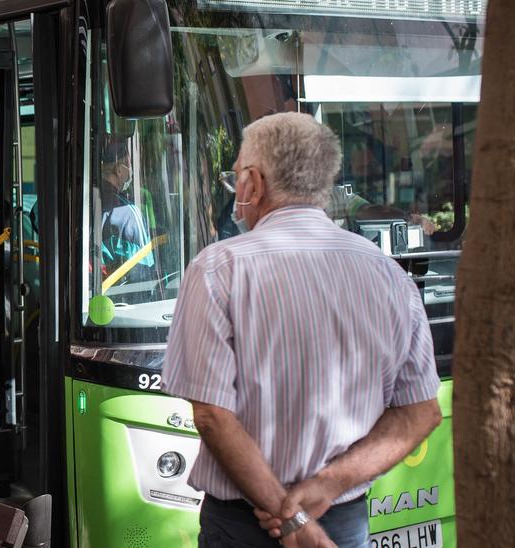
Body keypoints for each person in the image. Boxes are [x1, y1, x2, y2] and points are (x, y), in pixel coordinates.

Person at [163, 112, 442, 547]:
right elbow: (420, 412)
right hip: (342, 520)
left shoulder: (218, 269)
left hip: (244, 528)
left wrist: (291, 520)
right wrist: (329, 485)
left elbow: (214, 416)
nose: (236, 189)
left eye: (235, 176)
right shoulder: (387, 274)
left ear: (253, 182)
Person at [95, 139, 156, 287]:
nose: (131, 170)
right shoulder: (128, 213)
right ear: (118, 169)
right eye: (129, 164)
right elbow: (144, 271)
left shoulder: (83, 201)